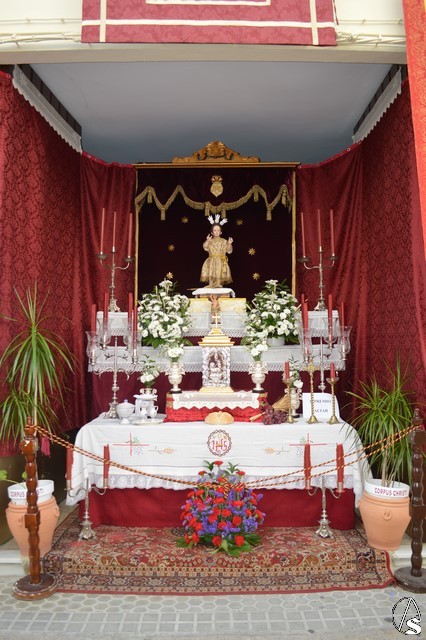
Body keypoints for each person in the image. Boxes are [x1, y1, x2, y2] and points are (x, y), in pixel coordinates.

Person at [200, 224, 233, 288]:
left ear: (221, 232)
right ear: (212, 232)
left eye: (218, 230)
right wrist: (207, 241)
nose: (217, 232)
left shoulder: (224, 241)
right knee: (211, 270)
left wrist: (229, 244)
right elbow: (205, 247)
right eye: (215, 230)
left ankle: (218, 283)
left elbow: (228, 250)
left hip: (220, 259)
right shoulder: (210, 240)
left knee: (219, 270)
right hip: (211, 259)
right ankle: (210, 284)